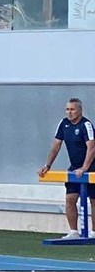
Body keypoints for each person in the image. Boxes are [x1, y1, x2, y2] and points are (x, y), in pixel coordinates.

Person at [40, 97, 95, 239]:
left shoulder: (86, 125)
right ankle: (73, 232)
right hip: (75, 167)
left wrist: (84, 168)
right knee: (70, 199)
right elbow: (56, 146)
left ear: (80, 111)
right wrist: (48, 165)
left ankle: (94, 232)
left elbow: (92, 147)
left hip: (91, 167)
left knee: (94, 200)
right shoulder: (63, 124)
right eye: (67, 109)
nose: (69, 112)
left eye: (72, 109)